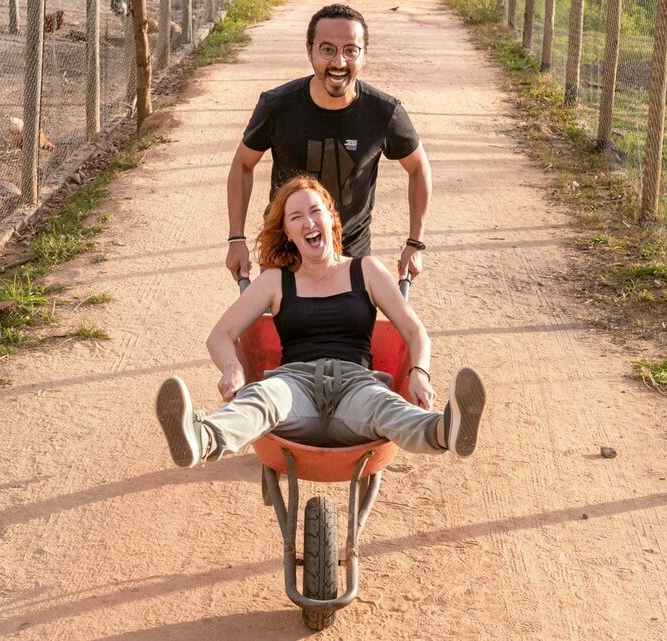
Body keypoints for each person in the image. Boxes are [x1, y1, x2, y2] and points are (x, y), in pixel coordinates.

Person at [157, 176, 485, 468]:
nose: (309, 221)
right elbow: (221, 335)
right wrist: (233, 368)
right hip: (293, 388)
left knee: (386, 406)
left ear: (330, 217)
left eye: (315, 211)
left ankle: (446, 430)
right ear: (288, 232)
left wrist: (418, 374)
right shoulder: (276, 281)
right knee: (262, 399)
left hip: (356, 387)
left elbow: (415, 332)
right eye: (296, 217)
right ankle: (202, 437)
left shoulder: (365, 270)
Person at [225, 4, 432, 285]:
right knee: (281, 328)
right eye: (327, 50)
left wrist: (415, 244)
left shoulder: (383, 113)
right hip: (286, 251)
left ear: (364, 54)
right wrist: (236, 239)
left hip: (350, 255)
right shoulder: (277, 107)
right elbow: (243, 164)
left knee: (352, 329)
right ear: (309, 50)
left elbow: (419, 167)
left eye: (350, 50)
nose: (339, 62)